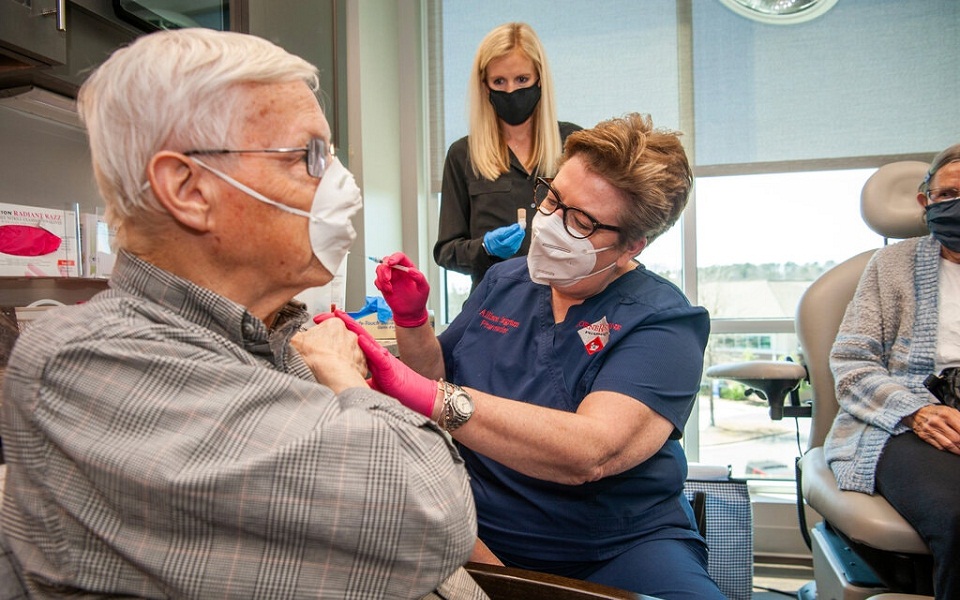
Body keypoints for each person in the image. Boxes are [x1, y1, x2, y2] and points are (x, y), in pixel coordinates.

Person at [0, 29, 486, 599]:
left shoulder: (274, 329)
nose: (341, 186)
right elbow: (430, 510)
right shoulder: (87, 363)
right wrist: (346, 379)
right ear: (189, 189)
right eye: (310, 157)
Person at [326, 113, 724, 599]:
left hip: (615, 546)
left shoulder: (664, 322)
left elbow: (590, 452)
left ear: (630, 246)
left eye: (580, 221)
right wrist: (412, 322)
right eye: (553, 197)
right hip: (477, 525)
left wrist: (423, 393)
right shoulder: (506, 281)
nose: (550, 222)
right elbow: (436, 375)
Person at [825, 143, 960, 599]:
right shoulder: (891, 265)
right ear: (925, 202)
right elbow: (851, 362)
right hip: (905, 423)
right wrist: (915, 412)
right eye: (949, 194)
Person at [433, 22, 580, 292]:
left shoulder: (573, 146)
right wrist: (485, 248)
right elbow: (446, 252)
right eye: (499, 81)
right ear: (485, 86)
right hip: (494, 311)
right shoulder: (463, 155)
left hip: (565, 306)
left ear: (540, 79)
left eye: (522, 80)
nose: (511, 91)